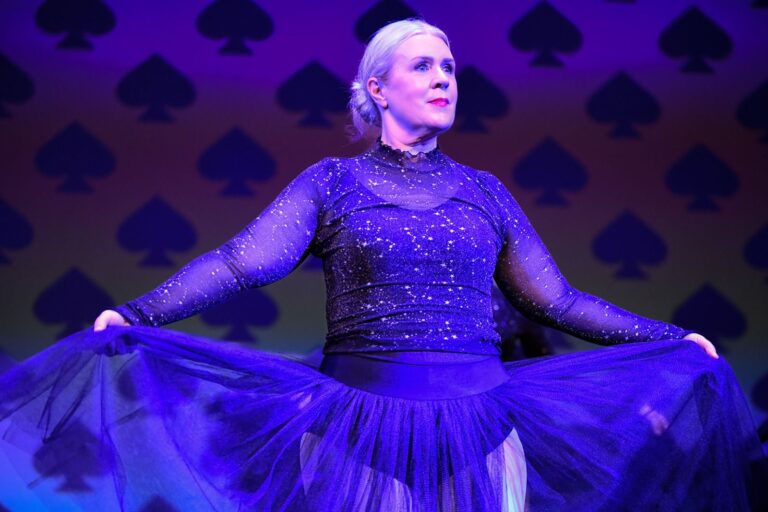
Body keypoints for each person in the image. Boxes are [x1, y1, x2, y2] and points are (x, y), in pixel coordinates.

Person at [0, 19, 764, 512]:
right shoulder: (331, 183)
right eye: (425, 66)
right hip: (358, 426)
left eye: (452, 68)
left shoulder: (485, 192)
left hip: (481, 423)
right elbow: (242, 263)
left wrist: (665, 336)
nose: (444, 79)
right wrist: (135, 314)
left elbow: (556, 299)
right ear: (377, 89)